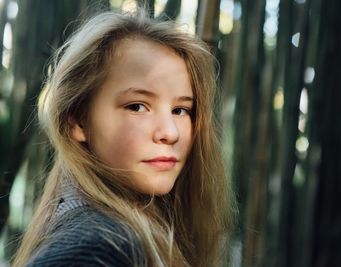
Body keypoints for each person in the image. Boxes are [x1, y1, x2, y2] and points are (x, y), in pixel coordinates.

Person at [12, 8, 235, 267]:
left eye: (181, 110)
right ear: (77, 120)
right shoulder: (96, 248)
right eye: (137, 106)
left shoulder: (120, 235)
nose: (170, 133)